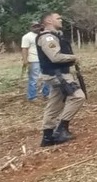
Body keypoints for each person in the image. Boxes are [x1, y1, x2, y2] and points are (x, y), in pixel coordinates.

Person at [35, 12, 85, 147]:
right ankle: (62, 129)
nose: (61, 20)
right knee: (78, 97)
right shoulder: (47, 38)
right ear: (49, 21)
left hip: (57, 74)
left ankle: (47, 137)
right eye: (58, 18)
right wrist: (73, 58)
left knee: (55, 104)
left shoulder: (54, 36)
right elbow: (55, 57)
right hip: (57, 75)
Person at [21, 21, 51, 101]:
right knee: (34, 79)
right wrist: (25, 60)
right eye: (34, 26)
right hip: (34, 60)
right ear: (31, 28)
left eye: (38, 26)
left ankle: (46, 94)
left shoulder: (43, 35)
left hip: (45, 59)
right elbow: (24, 49)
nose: (37, 28)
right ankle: (32, 96)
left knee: (48, 77)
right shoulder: (27, 37)